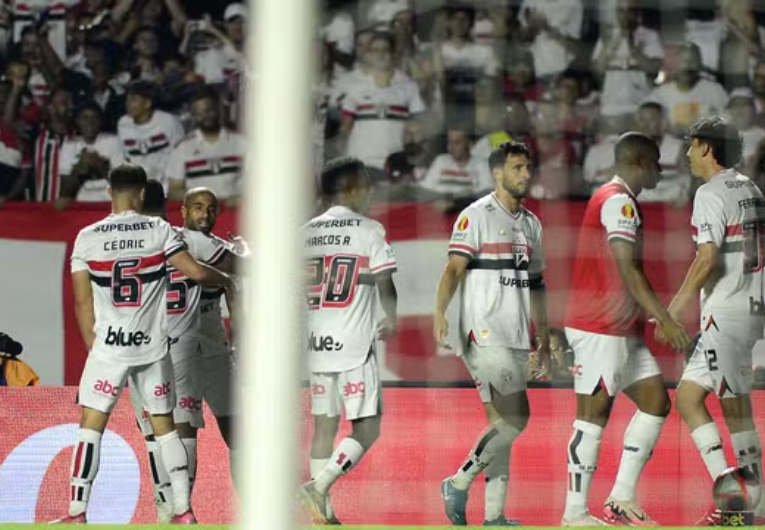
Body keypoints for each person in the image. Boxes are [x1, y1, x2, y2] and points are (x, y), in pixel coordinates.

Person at [52, 163, 234, 524]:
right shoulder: (159, 229)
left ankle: (77, 511)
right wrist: (228, 280)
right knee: (166, 428)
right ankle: (183, 511)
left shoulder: (88, 236)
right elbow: (197, 272)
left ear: (108, 193)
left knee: (91, 425)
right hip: (153, 347)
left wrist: (95, 349)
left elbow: (83, 302)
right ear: (140, 194)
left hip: (109, 347)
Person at [562, 132, 692, 526]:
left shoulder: (616, 199)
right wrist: (666, 320)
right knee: (593, 416)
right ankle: (574, 514)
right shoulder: (618, 202)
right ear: (638, 162)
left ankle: (620, 497)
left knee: (656, 401)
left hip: (622, 328)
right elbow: (627, 269)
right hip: (599, 326)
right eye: (655, 162)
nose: (660, 169)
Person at [433, 140, 548, 526]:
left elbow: (536, 285)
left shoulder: (532, 224)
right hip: (481, 331)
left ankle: (495, 516)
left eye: (528, 167)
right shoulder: (476, 215)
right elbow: (453, 270)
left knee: (502, 427)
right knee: (517, 419)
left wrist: (543, 339)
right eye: (517, 167)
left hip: (516, 335)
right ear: (497, 173)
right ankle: (458, 481)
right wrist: (439, 313)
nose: (525, 175)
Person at [665, 117, 765, 525]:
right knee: (688, 398)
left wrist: (674, 307)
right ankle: (734, 496)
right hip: (749, 306)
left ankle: (751, 506)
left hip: (727, 314)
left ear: (706, 148)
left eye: (691, 145)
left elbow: (706, 257)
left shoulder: (710, 192)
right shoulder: (750, 187)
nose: (687, 152)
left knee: (736, 410)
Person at [298, 157, 398, 525]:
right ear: (351, 188)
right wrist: (393, 316)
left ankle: (322, 516)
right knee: (368, 426)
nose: (370, 190)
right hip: (353, 345)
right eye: (366, 183)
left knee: (324, 427)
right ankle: (319, 487)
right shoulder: (369, 229)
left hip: (315, 345)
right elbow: (386, 283)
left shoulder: (305, 232)